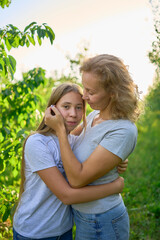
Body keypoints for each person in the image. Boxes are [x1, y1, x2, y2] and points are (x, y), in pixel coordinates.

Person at [13, 83, 126, 240]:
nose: (73, 113)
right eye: (66, 106)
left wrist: (119, 160)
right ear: (52, 110)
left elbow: (100, 153)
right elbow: (66, 196)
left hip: (64, 230)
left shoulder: (73, 142)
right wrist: (115, 186)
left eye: (79, 107)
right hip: (34, 232)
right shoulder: (38, 143)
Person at [44, 54, 140, 240]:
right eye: (84, 88)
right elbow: (73, 143)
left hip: (102, 219)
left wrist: (61, 132)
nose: (83, 96)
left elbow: (77, 179)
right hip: (84, 216)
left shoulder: (123, 130)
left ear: (113, 92)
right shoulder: (95, 115)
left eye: (91, 91)